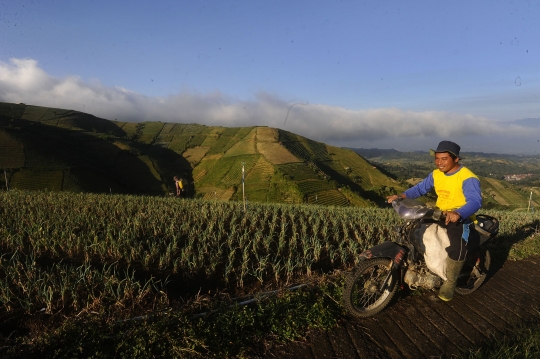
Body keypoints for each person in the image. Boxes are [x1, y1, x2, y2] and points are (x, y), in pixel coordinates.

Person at [386, 140, 482, 302]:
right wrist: (401, 196)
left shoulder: (468, 177)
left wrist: (458, 213)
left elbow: (475, 201)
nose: (439, 162)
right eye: (437, 158)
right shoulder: (436, 174)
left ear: (456, 159)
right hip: (438, 213)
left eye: (444, 159)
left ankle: (450, 281)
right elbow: (420, 188)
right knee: (415, 232)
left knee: (457, 247)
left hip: (460, 217)